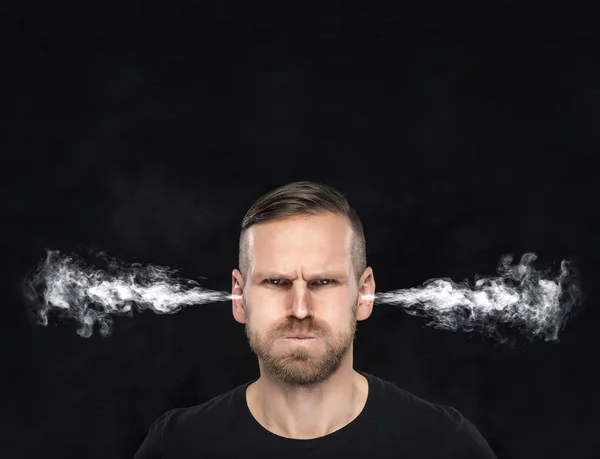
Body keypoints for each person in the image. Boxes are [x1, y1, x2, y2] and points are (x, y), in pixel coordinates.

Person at [134, 181, 497, 458]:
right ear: (238, 297)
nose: (300, 308)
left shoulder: (443, 445)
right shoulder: (178, 445)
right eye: (276, 282)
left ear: (365, 294)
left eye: (324, 282)